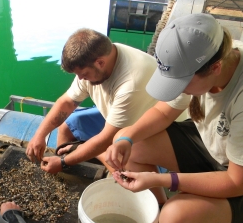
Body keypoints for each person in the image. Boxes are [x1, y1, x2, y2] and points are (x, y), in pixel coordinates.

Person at [105, 13, 243, 223]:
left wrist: (163, 180)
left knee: (176, 220)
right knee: (134, 147)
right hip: (215, 147)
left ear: (215, 68)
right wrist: (124, 136)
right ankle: (160, 210)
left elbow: (237, 182)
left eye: (181, 82)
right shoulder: (208, 58)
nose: (178, 89)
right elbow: (163, 111)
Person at [26, 28, 157, 174]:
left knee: (115, 157)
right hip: (116, 114)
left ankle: (72, 160)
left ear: (100, 63)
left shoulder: (131, 83)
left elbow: (107, 138)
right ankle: (67, 172)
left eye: (83, 74)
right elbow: (67, 102)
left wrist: (63, 162)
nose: (80, 79)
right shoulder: (102, 57)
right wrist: (40, 135)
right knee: (66, 128)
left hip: (153, 126)